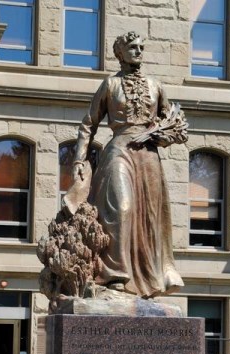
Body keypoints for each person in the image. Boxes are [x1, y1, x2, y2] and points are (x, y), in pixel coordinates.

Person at [72, 31, 185, 298]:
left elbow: (176, 126)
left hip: (148, 156)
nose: (138, 51)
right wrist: (79, 157)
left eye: (141, 47)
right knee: (121, 208)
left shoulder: (156, 86)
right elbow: (89, 124)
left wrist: (162, 135)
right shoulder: (110, 85)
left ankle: (155, 275)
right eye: (132, 47)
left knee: (150, 217)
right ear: (119, 52)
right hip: (119, 149)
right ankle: (116, 275)